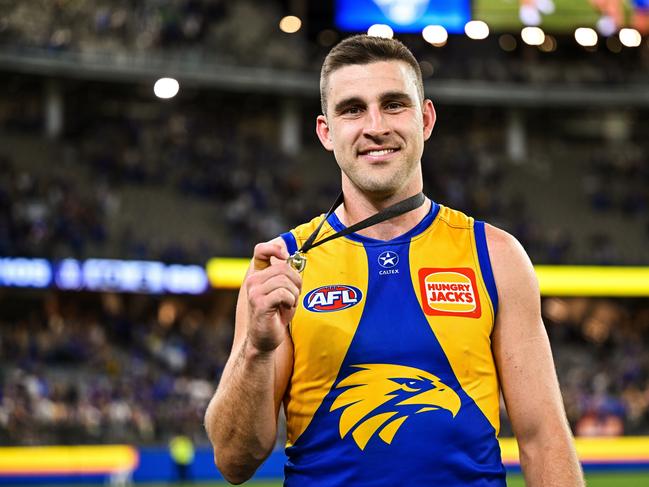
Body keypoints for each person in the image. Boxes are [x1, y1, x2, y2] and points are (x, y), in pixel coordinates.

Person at [204, 34, 584, 486]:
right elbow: (233, 461)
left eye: (394, 104)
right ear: (326, 132)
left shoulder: (496, 256)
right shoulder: (284, 265)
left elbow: (544, 439)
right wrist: (256, 350)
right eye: (352, 109)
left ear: (425, 119)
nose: (375, 126)